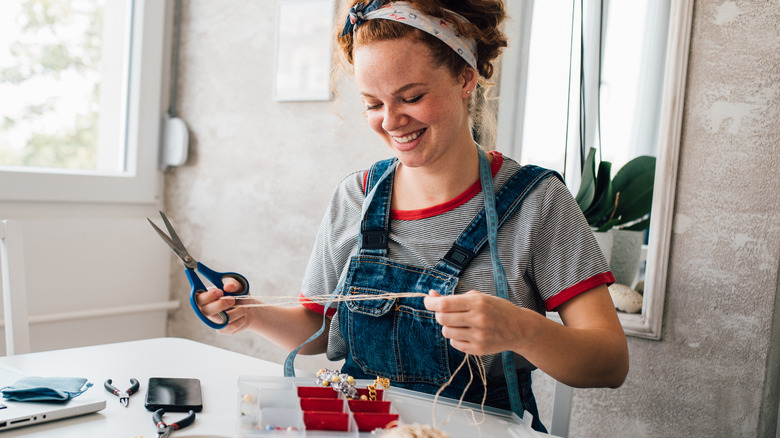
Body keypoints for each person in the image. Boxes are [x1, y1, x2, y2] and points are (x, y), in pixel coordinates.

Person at [197, 0, 628, 433]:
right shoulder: (356, 196)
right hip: (366, 425)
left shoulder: (537, 202)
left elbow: (610, 363)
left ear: (465, 76)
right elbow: (321, 329)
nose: (391, 121)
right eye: (372, 104)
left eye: (412, 97)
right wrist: (247, 311)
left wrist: (523, 330)